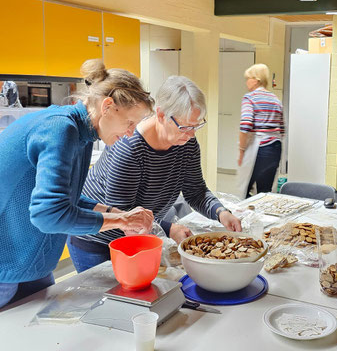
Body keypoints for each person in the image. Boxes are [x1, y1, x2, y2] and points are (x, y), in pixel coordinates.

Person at [0, 59, 155, 308]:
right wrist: (120, 222)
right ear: (107, 106)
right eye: (129, 123)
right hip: (7, 263)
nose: (131, 133)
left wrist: (115, 213)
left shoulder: (81, 133)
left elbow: (64, 200)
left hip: (30, 261)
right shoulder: (60, 129)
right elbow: (49, 215)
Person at [67, 75, 242, 273]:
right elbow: (123, 215)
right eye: (185, 126)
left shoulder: (186, 143)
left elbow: (195, 191)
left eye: (196, 126)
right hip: (98, 240)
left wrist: (221, 212)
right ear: (161, 115)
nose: (191, 134)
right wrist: (169, 228)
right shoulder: (130, 149)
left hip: (139, 233)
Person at [236, 63, 284, 199]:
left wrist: (241, 151)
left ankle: (244, 218)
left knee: (244, 189)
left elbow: (245, 126)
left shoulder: (249, 98)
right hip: (275, 147)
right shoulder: (275, 99)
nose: (246, 82)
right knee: (265, 192)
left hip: (259, 148)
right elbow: (282, 129)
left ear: (256, 80)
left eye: (248, 78)